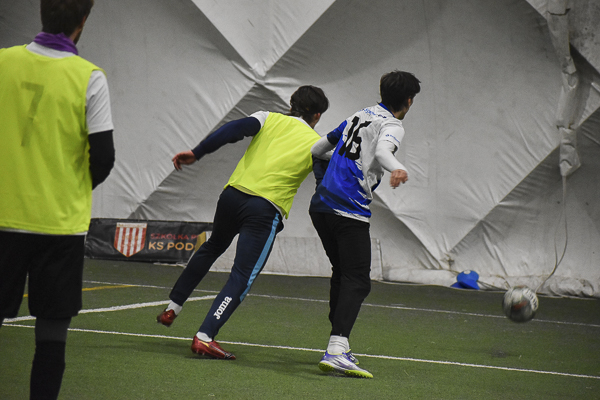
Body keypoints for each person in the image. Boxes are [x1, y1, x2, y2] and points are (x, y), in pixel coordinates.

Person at [156, 86, 329, 360]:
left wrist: (197, 152)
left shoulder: (267, 117)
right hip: (264, 209)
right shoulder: (318, 144)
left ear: (291, 105)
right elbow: (326, 181)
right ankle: (205, 336)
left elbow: (232, 130)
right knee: (242, 275)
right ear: (317, 115)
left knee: (212, 247)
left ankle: (172, 307)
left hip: (232, 196)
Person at [0, 0, 115, 398]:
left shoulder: (3, 62)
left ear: (42, 13)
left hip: (3, 218)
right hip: (59, 225)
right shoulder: (89, 78)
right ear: (82, 21)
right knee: (51, 331)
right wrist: (68, 188)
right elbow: (103, 158)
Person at [309, 70, 421, 378]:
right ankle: (336, 348)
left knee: (343, 273)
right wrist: (397, 168)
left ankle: (339, 343)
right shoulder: (392, 125)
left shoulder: (359, 115)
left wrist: (328, 175)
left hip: (320, 207)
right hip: (348, 209)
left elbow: (317, 149)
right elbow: (383, 151)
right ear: (409, 101)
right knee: (358, 280)